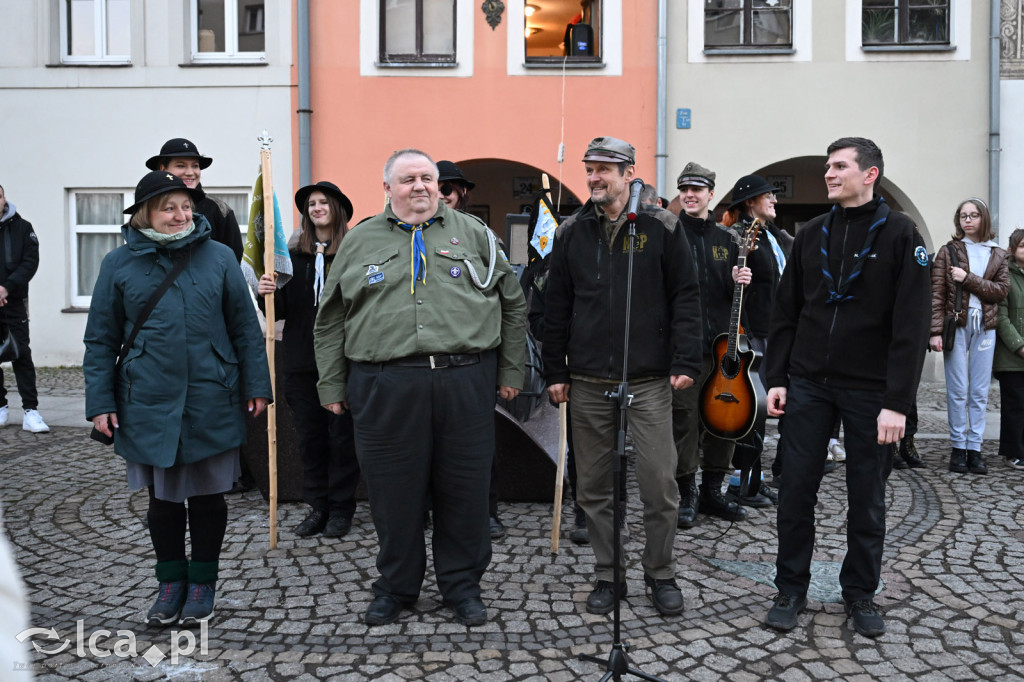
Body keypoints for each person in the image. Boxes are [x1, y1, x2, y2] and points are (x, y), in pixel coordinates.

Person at [313, 149, 526, 627]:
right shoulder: (359, 240)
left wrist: (512, 372)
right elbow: (329, 320)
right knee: (393, 494)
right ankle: (396, 587)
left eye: (427, 178)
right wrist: (331, 383)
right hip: (385, 384)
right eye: (408, 179)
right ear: (387, 187)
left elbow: (512, 305)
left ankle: (462, 587)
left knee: (466, 491)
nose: (421, 187)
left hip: (465, 380)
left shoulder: (475, 235)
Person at [84, 171, 272, 627]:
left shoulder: (220, 258)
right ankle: (170, 584)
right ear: (146, 213)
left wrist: (257, 385)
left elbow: (245, 328)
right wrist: (100, 402)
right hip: (146, 400)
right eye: (169, 207)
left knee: (208, 498)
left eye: (186, 207)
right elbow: (101, 340)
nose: (181, 215)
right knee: (163, 501)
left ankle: (203, 584)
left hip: (212, 395)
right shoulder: (118, 264)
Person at [763, 137, 930, 638]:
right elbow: (786, 312)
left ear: (870, 174)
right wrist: (777, 377)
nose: (829, 174)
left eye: (839, 167)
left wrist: (897, 403)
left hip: (870, 392)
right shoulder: (811, 233)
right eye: (828, 167)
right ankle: (790, 587)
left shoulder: (902, 235)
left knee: (867, 498)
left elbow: (911, 326)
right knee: (794, 491)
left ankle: (860, 594)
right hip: (809, 383)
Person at [543, 137, 701, 616]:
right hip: (588, 381)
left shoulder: (662, 226)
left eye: (604, 170)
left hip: (651, 380)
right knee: (593, 488)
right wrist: (555, 369)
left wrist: (685, 361)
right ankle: (608, 575)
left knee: (659, 483)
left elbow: (687, 298)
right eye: (589, 169)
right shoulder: (572, 232)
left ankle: (661, 573)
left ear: (629, 173)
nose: (594, 178)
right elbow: (555, 307)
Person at [257, 181, 361, 538]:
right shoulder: (293, 257)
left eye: (323, 202)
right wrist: (266, 293)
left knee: (342, 440)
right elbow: (282, 310)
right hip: (301, 362)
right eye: (311, 204)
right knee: (310, 440)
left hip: (344, 362)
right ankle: (319, 506)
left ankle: (342, 509)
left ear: (337, 208)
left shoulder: (354, 255)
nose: (316, 208)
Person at [669, 162, 750, 528]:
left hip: (723, 348)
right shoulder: (669, 234)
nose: (690, 195)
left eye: (697, 190)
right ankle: (686, 493)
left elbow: (742, 296)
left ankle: (713, 491)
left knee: (724, 419)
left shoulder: (728, 239)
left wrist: (742, 279)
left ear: (710, 195)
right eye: (685, 189)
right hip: (683, 349)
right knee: (683, 421)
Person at [436, 159, 506, 540]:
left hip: (473, 358)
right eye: (437, 188)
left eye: (448, 189)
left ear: (462, 194)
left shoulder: (483, 236)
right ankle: (436, 510)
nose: (441, 195)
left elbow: (504, 298)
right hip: (429, 358)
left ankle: (487, 511)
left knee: (479, 445)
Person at [720, 174, 794, 507]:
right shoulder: (740, 235)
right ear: (751, 203)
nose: (775, 201)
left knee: (766, 410)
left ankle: (756, 478)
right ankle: (740, 481)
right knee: (754, 409)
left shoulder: (773, 235)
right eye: (769, 196)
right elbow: (734, 286)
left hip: (776, 331)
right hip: (753, 334)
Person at [929, 198, 1009, 475]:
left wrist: (969, 278)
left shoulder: (998, 254)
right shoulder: (949, 251)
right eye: (963, 215)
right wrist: (935, 331)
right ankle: (957, 448)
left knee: (978, 391)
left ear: (983, 218)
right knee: (957, 389)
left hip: (986, 327)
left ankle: (974, 448)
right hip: (957, 325)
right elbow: (937, 292)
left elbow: (1000, 292)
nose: (968, 220)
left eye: (974, 215)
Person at [147, 138, 244, 262]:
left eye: (195, 166)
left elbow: (234, 259)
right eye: (180, 166)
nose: (190, 172)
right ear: (163, 169)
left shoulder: (219, 209)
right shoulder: (147, 207)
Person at [0, 183, 48, 433]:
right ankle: (1, 407)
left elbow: (30, 262)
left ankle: (31, 411)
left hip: (14, 303)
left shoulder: (22, 228)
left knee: (21, 355)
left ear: (4, 198)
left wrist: (6, 288)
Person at [995, 228, 1024, 469]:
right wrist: (1019, 346)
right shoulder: (1005, 274)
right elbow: (1001, 317)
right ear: (1013, 249)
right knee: (1015, 405)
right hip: (1011, 356)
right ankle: (1013, 451)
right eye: (1022, 245)